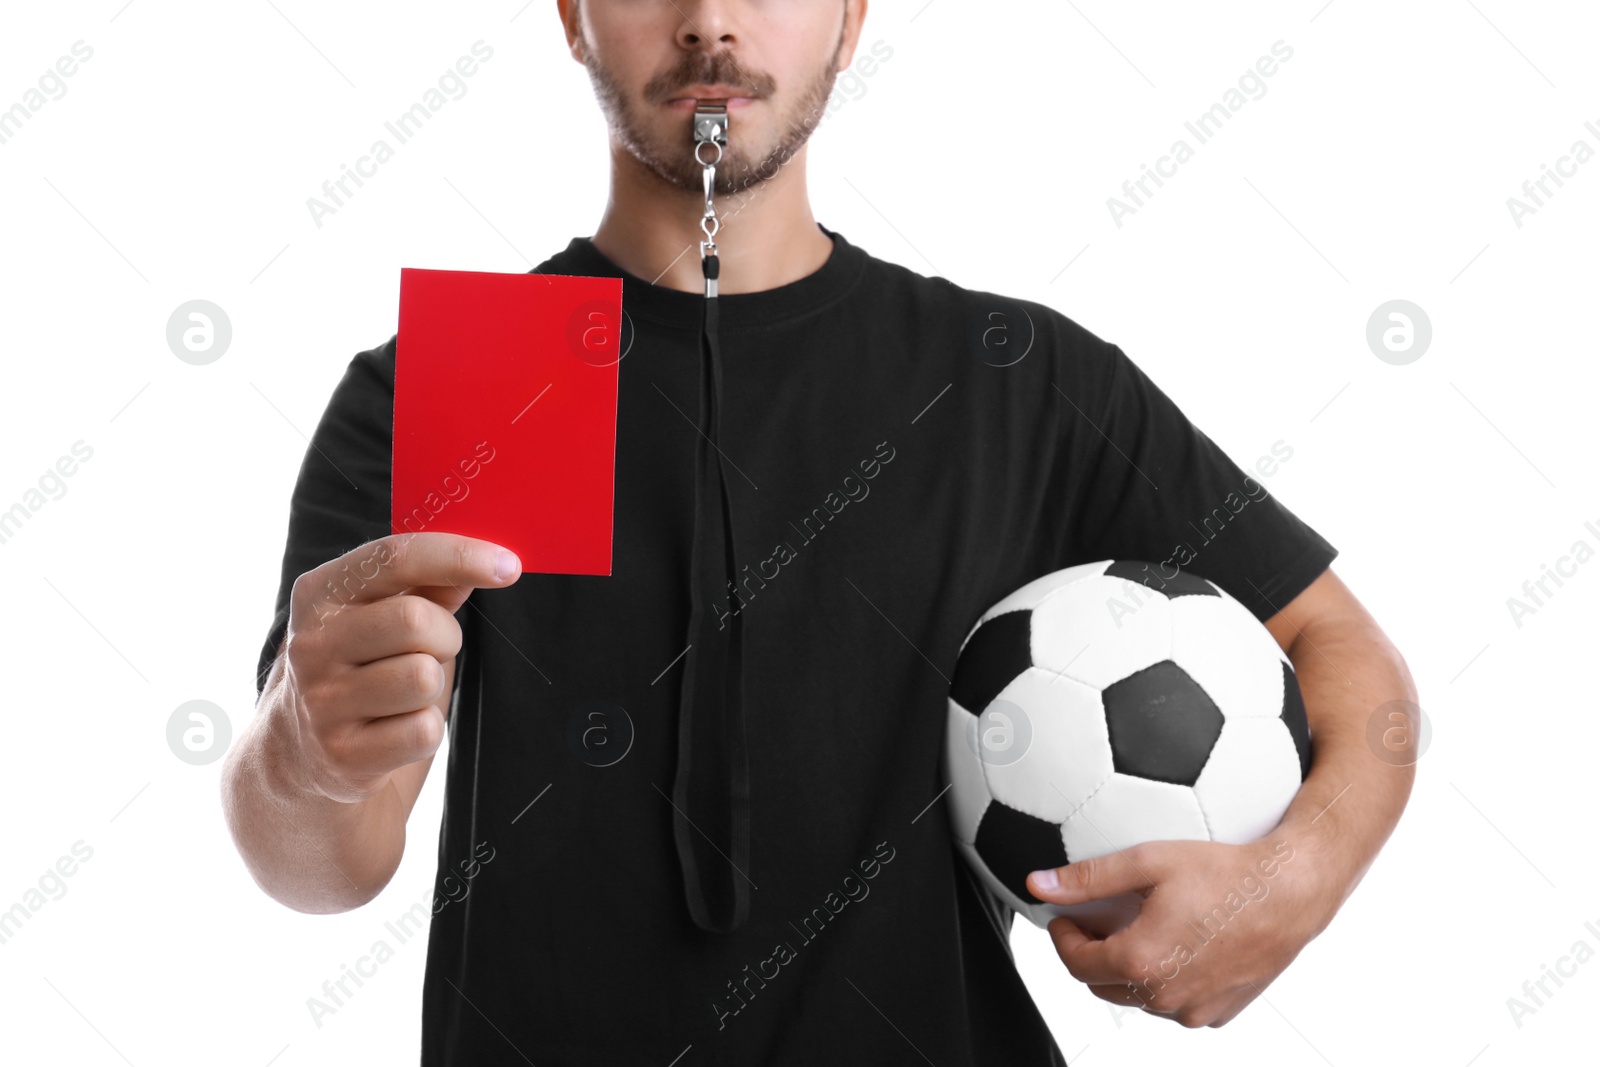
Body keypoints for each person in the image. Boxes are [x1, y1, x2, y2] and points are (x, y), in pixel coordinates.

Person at [221, 1, 1419, 1062]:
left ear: (851, 19)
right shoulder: (473, 378)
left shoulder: (1008, 375)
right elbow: (325, 861)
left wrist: (1292, 876)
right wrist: (302, 751)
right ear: (571, 15)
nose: (708, 23)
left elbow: (1349, 659)